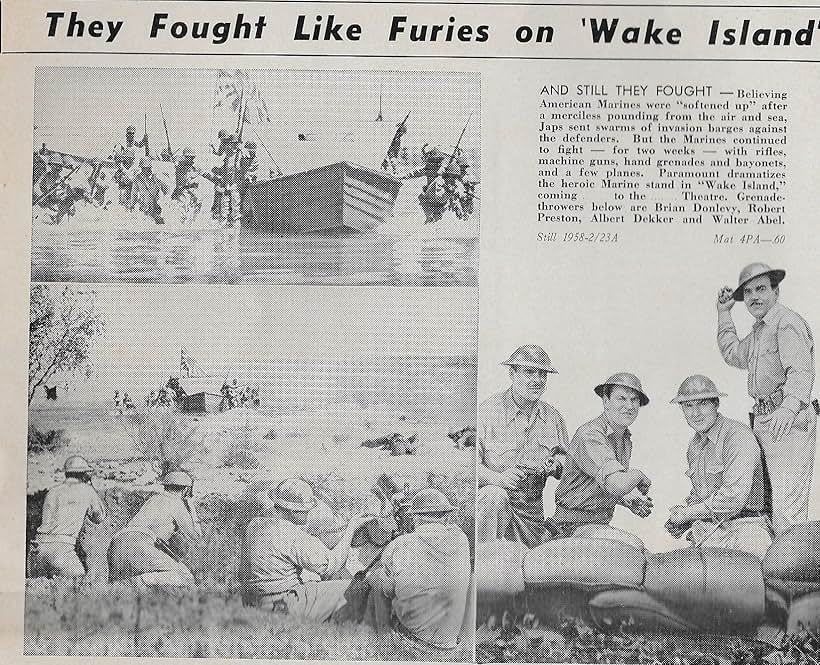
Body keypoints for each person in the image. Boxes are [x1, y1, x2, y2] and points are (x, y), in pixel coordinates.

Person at [717, 262, 817, 536]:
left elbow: (800, 370)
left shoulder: (786, 322)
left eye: (761, 289)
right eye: (748, 292)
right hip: (764, 419)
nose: (754, 298)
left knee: (788, 511)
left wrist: (788, 407)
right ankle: (775, 574)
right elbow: (733, 353)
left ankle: (792, 576)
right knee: (767, 507)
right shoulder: (761, 330)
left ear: (776, 291)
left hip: (787, 421)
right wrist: (724, 314)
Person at [665, 375, 772, 560]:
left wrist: (686, 514)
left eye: (702, 403)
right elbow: (700, 494)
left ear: (716, 404)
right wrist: (686, 519)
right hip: (710, 532)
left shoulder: (737, 436)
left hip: (746, 529)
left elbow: (733, 498)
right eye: (688, 406)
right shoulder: (695, 446)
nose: (695, 413)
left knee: (748, 581)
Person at [239, 478, 371, 621]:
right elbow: (332, 565)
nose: (308, 512)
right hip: (284, 607)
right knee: (360, 589)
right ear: (292, 510)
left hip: (252, 604)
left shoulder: (254, 524)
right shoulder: (290, 533)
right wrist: (351, 528)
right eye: (305, 509)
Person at [477, 345, 567, 548]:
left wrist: (557, 465)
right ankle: (484, 562)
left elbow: (567, 461)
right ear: (512, 373)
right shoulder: (487, 412)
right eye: (529, 372)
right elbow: (470, 466)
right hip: (494, 514)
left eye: (542, 374)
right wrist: (497, 479)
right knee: (493, 495)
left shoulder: (553, 418)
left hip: (532, 516)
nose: (537, 380)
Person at [367, 488, 471, 660]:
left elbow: (388, 591)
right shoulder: (461, 540)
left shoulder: (399, 545)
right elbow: (449, 529)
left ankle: (380, 646)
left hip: (412, 643)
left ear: (414, 518)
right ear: (446, 516)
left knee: (376, 580)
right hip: (450, 643)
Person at [552, 372, 653, 536]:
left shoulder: (624, 439)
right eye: (622, 398)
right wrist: (638, 475)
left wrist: (627, 499)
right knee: (633, 550)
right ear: (606, 401)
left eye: (634, 400)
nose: (629, 406)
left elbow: (596, 484)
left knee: (641, 553)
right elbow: (616, 484)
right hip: (569, 527)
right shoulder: (591, 435)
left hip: (595, 526)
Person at [107, 470, 201, 587]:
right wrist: (191, 507)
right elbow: (196, 537)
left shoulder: (153, 499)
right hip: (140, 545)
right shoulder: (176, 503)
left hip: (116, 543)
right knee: (186, 577)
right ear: (186, 489)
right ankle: (139, 581)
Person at [32, 456, 106, 578]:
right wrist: (91, 486)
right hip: (60, 550)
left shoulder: (52, 491)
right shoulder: (87, 490)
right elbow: (99, 517)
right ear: (83, 474)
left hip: (37, 550)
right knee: (78, 581)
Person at [400, 146, 448, 224]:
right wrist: (401, 176)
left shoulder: (443, 170)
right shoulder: (427, 169)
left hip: (441, 196)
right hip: (431, 197)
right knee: (423, 197)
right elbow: (413, 173)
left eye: (439, 160)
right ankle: (430, 219)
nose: (438, 163)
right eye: (436, 160)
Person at [129, 156, 169, 224]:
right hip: (143, 207)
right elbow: (134, 193)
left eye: (149, 168)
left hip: (155, 207)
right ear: (142, 168)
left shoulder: (155, 178)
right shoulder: (137, 179)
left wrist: (164, 200)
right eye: (145, 169)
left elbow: (166, 189)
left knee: (160, 224)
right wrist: (132, 205)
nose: (148, 170)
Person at [219, 134, 242, 228]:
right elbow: (220, 150)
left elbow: (240, 168)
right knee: (225, 202)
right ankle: (223, 221)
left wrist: (240, 151)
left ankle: (236, 222)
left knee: (235, 202)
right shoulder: (228, 154)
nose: (234, 145)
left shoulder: (240, 154)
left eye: (236, 143)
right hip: (227, 183)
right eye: (232, 143)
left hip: (236, 183)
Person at [172, 147, 201, 217]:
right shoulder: (179, 165)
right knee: (182, 207)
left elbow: (204, 173)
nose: (189, 159)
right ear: (184, 157)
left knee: (199, 201)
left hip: (192, 188)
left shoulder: (194, 167)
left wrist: (214, 179)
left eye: (191, 157)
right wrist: (172, 157)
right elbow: (175, 160)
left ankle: (194, 220)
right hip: (182, 190)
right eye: (187, 157)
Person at [239, 141, 259, 220]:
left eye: (253, 152)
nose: (251, 153)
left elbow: (254, 171)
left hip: (252, 184)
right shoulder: (244, 159)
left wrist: (249, 176)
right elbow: (242, 169)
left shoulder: (256, 160)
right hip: (244, 184)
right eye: (250, 152)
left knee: (250, 201)